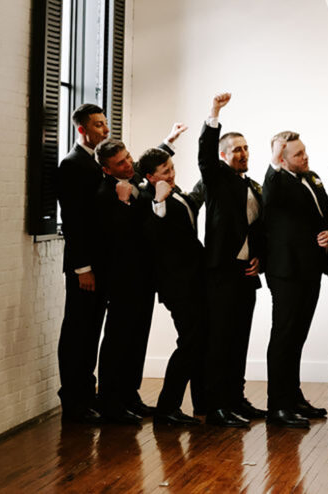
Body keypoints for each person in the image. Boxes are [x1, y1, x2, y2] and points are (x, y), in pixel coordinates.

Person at [93, 127, 184, 423]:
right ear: (107, 169)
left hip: (144, 278)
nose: (128, 164)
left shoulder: (134, 178)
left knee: (137, 339)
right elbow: (113, 237)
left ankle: (129, 394)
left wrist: (168, 142)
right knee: (118, 340)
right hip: (121, 280)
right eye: (120, 163)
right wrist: (121, 205)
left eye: (128, 158)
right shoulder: (105, 192)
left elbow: (150, 166)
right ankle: (109, 401)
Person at [195, 93, 266, 428]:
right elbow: (205, 158)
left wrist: (259, 259)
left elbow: (259, 229)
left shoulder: (253, 184)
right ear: (224, 155)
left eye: (246, 148)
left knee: (240, 338)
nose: (243, 153)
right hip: (221, 273)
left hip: (247, 273)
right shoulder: (216, 178)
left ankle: (236, 398)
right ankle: (217, 405)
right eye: (236, 149)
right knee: (220, 341)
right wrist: (214, 115)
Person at [261, 131, 328, 429]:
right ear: (282, 159)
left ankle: (293, 396)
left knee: (298, 336)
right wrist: (274, 162)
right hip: (286, 271)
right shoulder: (276, 182)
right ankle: (277, 406)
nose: (305, 157)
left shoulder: (313, 177)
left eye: (304, 151)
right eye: (298, 155)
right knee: (284, 336)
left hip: (311, 269)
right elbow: (269, 193)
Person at [137, 148, 206, 426]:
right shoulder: (148, 199)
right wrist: (158, 201)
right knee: (190, 342)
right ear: (151, 177)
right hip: (177, 285)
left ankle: (202, 402)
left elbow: (195, 201)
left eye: (172, 167)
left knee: (199, 341)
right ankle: (167, 407)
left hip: (194, 279)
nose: (172, 174)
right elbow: (154, 235)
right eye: (165, 171)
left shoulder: (178, 193)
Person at [56, 103, 111, 424]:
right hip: (84, 269)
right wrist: (82, 268)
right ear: (82, 129)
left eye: (105, 124)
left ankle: (87, 397)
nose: (105, 130)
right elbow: (74, 222)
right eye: (98, 125)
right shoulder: (72, 164)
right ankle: (73, 402)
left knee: (91, 332)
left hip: (100, 265)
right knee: (77, 332)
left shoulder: (95, 162)